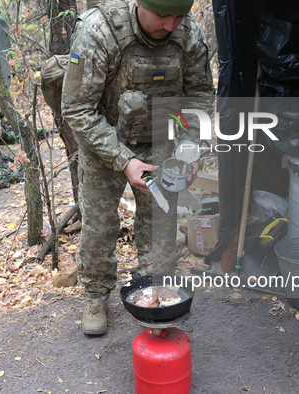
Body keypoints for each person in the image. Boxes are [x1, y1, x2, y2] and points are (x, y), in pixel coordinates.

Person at [61, 0, 215, 335]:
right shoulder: (100, 32)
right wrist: (123, 159)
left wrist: (188, 153)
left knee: (159, 224)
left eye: (179, 16)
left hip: (161, 146)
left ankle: (156, 293)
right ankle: (96, 293)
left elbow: (200, 99)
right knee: (100, 227)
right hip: (104, 141)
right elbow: (76, 109)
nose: (171, 25)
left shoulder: (189, 36)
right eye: (162, 15)